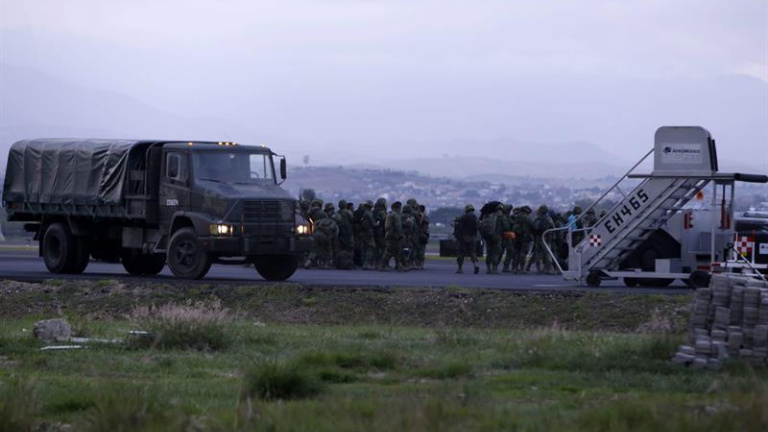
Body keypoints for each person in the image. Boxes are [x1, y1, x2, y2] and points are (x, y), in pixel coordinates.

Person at [379, 201, 405, 271]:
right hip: (394, 236)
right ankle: (383, 265)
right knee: (389, 251)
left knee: (396, 250)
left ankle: (398, 265)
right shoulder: (396, 215)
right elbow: (398, 226)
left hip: (390, 235)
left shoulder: (390, 214)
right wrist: (401, 235)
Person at [454, 204, 479, 274]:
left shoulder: (464, 217)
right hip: (472, 237)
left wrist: (457, 236)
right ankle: (475, 264)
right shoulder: (475, 217)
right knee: (473, 252)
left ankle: (460, 268)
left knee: (461, 253)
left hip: (463, 238)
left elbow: (460, 228)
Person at [530, 205, 555, 274]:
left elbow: (533, 227)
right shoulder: (549, 219)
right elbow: (553, 227)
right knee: (548, 253)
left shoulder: (537, 219)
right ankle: (549, 269)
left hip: (538, 238)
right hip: (547, 238)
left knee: (538, 253)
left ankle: (539, 269)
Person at [480, 204, 504, 274]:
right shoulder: (499, 218)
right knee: (496, 253)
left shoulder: (487, 217)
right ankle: (494, 268)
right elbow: (506, 226)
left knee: (489, 253)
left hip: (488, 237)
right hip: (496, 238)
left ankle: (488, 268)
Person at [358, 201, 377, 270]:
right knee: (371, 246)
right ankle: (367, 263)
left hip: (363, 232)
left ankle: (364, 263)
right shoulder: (369, 213)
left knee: (364, 247)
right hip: (368, 232)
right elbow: (373, 223)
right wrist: (377, 223)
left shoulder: (363, 213)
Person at [501, 204, 516, 273]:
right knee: (508, 251)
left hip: (506, 236)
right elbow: (506, 226)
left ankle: (504, 266)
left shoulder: (506, 217)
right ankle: (504, 267)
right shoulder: (504, 217)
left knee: (507, 251)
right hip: (506, 236)